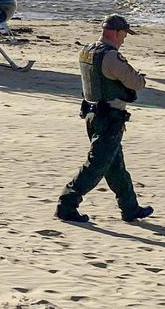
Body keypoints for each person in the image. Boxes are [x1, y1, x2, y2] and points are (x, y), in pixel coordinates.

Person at [56, 14, 154, 223]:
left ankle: (130, 207)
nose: (124, 39)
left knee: (115, 166)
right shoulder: (110, 56)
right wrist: (141, 78)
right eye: (124, 34)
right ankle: (67, 204)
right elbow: (135, 82)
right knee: (97, 165)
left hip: (93, 114)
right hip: (110, 118)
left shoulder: (87, 51)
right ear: (117, 32)